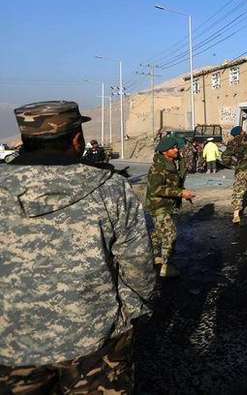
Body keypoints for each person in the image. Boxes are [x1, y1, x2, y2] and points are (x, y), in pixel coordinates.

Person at [0, 100, 155, 392]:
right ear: (76, 138)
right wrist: (130, 315)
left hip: (11, 345)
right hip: (96, 340)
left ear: (25, 139)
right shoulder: (111, 188)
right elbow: (137, 263)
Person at [146, 136, 196, 278]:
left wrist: (183, 193)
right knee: (170, 234)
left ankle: (156, 258)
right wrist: (180, 193)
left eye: (176, 147)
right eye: (173, 148)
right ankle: (165, 267)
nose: (176, 150)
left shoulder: (172, 162)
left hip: (168, 204)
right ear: (164, 151)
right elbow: (156, 189)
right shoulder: (158, 167)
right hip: (158, 205)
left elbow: (177, 180)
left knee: (158, 233)